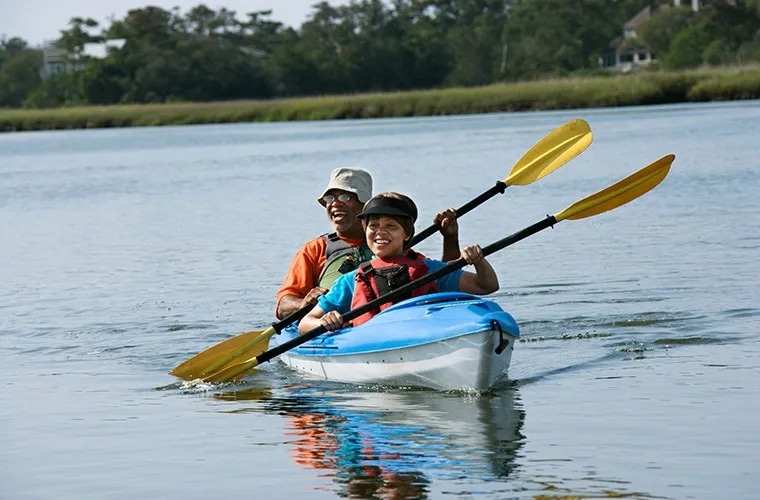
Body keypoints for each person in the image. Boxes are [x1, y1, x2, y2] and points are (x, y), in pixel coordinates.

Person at [298, 192, 499, 333]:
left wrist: (479, 261)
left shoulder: (430, 270)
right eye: (373, 226)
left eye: (391, 226)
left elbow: (487, 285)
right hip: (372, 343)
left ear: (407, 234)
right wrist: (325, 321)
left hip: (425, 336)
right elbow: (305, 323)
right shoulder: (350, 281)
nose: (380, 232)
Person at [275, 167, 460, 320]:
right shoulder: (314, 250)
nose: (335, 204)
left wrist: (449, 239)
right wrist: (305, 304)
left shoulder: (387, 244)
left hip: (380, 325)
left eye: (346, 197)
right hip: (336, 330)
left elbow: (443, 280)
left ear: (366, 206)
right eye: (330, 198)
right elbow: (283, 307)